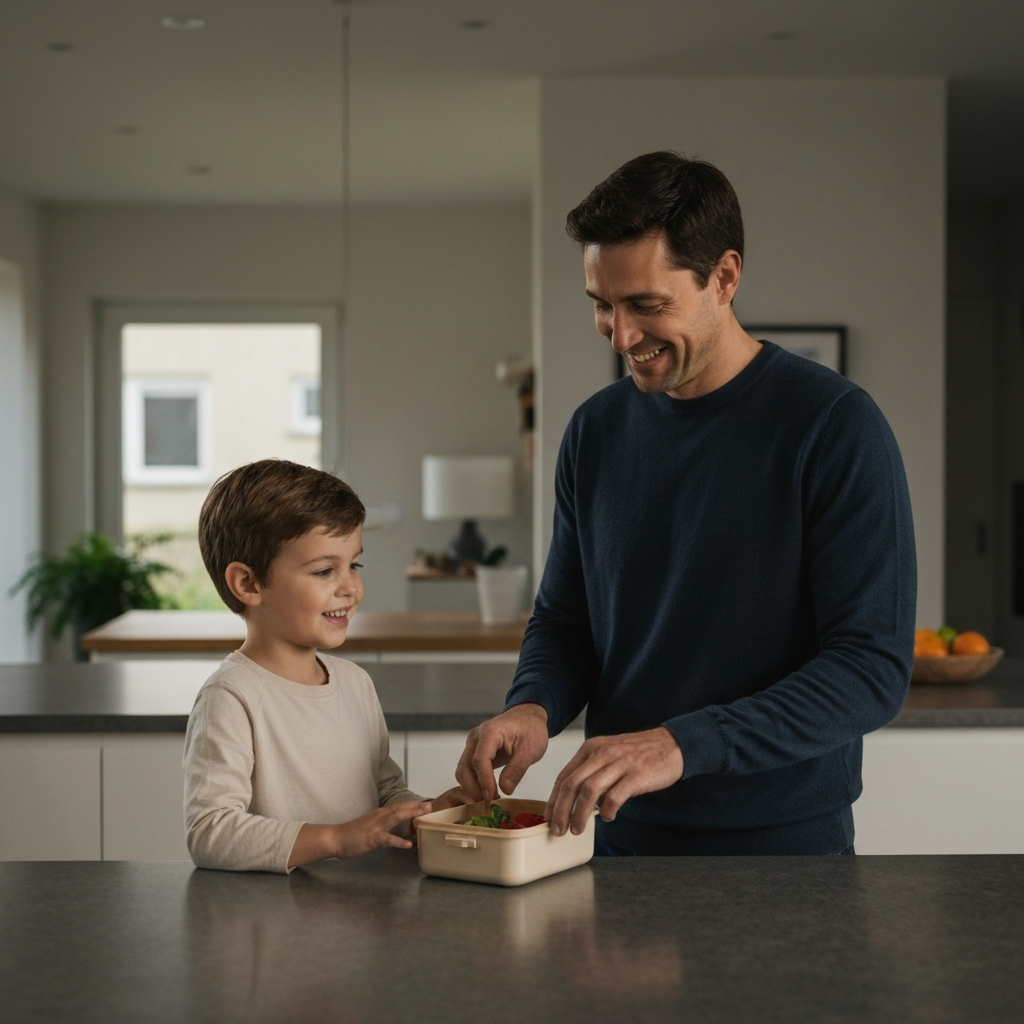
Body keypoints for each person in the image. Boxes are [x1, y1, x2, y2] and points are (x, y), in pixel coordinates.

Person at [457, 151, 916, 856]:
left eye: (645, 304)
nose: (621, 335)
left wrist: (682, 744)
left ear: (724, 277)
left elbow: (869, 669)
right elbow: (566, 618)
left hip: (783, 851)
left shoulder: (834, 426)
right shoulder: (595, 431)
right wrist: (534, 702)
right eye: (602, 306)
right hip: (612, 836)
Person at [183, 459, 469, 872]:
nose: (350, 587)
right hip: (278, 920)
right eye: (323, 571)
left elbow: (385, 791)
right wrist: (334, 838)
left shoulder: (355, 683)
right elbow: (210, 832)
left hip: (364, 912)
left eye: (354, 565)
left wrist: (427, 814)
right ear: (248, 584)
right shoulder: (231, 697)